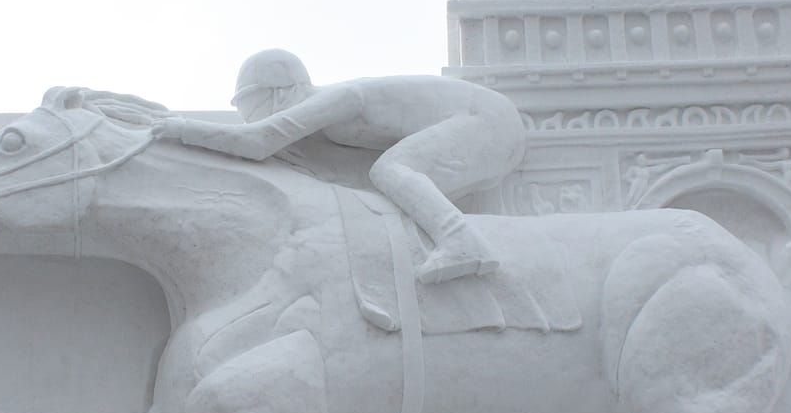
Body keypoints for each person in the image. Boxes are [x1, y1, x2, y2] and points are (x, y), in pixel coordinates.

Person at [151, 49, 527, 284]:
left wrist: (180, 128)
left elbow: (258, 140)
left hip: (489, 122)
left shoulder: (338, 98)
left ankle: (461, 240)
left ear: (282, 91)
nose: (249, 120)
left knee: (390, 170)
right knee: (382, 186)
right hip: (484, 126)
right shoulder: (332, 127)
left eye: (251, 108)